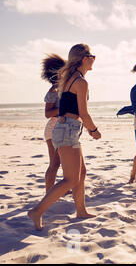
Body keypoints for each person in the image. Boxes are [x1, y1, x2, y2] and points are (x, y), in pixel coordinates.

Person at [28, 44, 101, 231]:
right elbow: (84, 113)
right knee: (70, 179)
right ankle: (37, 211)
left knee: (81, 173)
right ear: (84, 59)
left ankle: (81, 210)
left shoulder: (69, 79)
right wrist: (94, 131)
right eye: (92, 55)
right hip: (68, 129)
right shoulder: (80, 82)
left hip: (66, 129)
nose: (94, 59)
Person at [41, 55, 65, 193]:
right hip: (53, 128)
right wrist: (65, 109)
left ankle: (63, 188)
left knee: (64, 163)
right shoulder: (53, 90)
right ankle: (49, 192)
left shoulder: (67, 87)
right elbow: (47, 113)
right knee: (54, 164)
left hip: (64, 128)